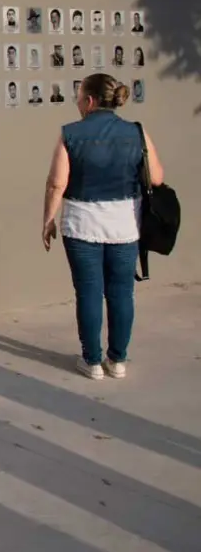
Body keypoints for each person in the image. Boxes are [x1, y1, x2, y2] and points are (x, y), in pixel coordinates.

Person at [42, 73, 164, 380]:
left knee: (89, 292)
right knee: (122, 292)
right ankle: (118, 360)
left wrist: (48, 220)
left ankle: (92, 362)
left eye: (79, 97)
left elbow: (57, 184)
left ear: (90, 100)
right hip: (125, 224)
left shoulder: (70, 133)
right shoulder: (136, 132)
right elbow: (157, 178)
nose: (78, 103)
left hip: (82, 224)